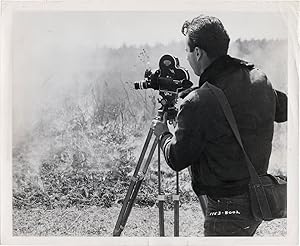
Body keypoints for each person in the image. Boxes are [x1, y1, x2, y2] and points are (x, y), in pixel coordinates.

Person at [152, 15, 287, 236]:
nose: (186, 58)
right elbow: (284, 110)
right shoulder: (259, 80)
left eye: (187, 51)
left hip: (226, 210)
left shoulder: (198, 101)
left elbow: (177, 158)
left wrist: (163, 134)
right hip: (257, 201)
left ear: (198, 53)